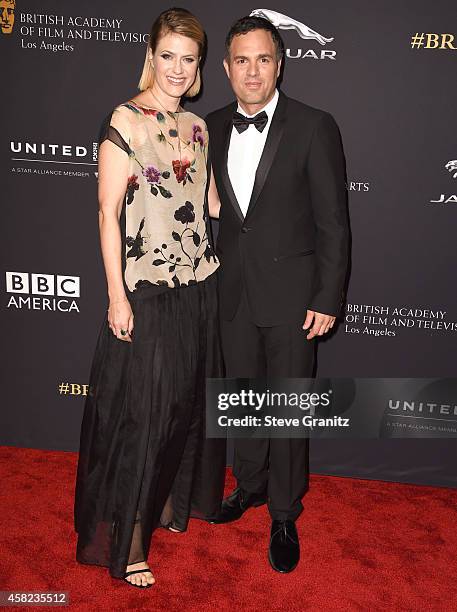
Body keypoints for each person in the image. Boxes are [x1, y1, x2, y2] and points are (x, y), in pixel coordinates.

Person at [74, 8, 225, 588]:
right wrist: (117, 295)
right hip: (148, 291)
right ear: (151, 55)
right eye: (169, 56)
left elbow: (211, 205)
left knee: (182, 412)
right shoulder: (126, 120)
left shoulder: (197, 129)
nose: (178, 69)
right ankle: (129, 542)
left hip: (197, 288)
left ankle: (165, 506)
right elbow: (107, 214)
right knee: (145, 419)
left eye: (189, 59)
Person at [206, 16, 349, 573]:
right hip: (233, 290)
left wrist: (328, 296)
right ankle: (250, 487)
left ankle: (285, 513)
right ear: (226, 67)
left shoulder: (315, 125)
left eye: (263, 59)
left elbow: (333, 222)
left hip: (294, 296)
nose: (252, 71)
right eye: (242, 60)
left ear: (280, 64)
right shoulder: (211, 125)